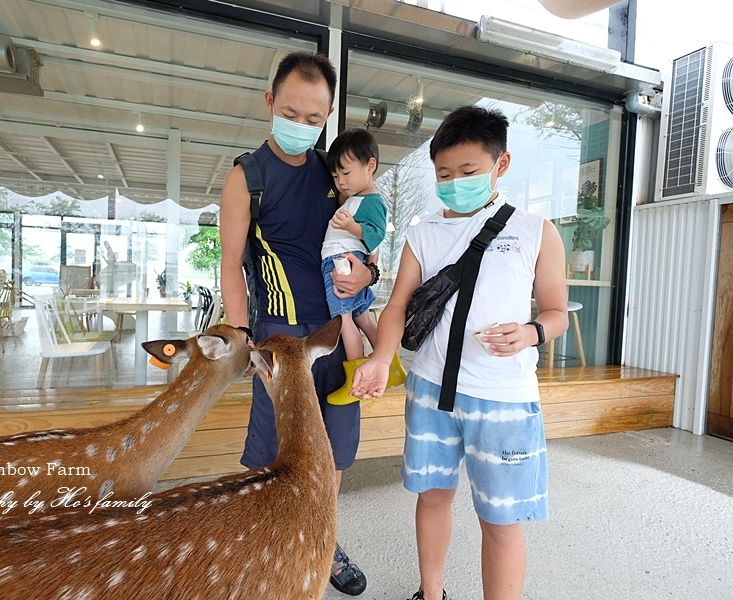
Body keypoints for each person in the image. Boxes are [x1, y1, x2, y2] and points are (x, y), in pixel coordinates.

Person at [350, 105, 569, 600]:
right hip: (431, 388)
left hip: (504, 398)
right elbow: (397, 306)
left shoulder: (535, 230)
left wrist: (532, 331)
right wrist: (382, 358)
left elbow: (557, 311)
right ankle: (432, 594)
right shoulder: (422, 232)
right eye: (444, 174)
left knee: (501, 520)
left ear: (501, 164)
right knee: (432, 499)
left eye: (468, 171)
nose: (454, 182)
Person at [218, 51, 376, 597]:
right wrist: (244, 342)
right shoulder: (247, 177)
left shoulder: (335, 175)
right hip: (280, 341)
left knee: (334, 449)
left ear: (328, 116)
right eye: (292, 112)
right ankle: (264, 544)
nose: (303, 126)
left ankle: (324, 541)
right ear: (270, 103)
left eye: (315, 118)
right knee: (270, 454)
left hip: (336, 333)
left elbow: (363, 240)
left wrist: (370, 269)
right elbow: (231, 268)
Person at [320, 128, 405, 405]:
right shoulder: (357, 197)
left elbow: (376, 235)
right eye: (335, 176)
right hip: (346, 260)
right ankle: (390, 365)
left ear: (370, 166)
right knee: (362, 316)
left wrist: (352, 226)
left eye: (346, 173)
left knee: (344, 320)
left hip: (343, 262)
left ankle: (356, 380)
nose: (340, 182)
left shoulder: (372, 201)